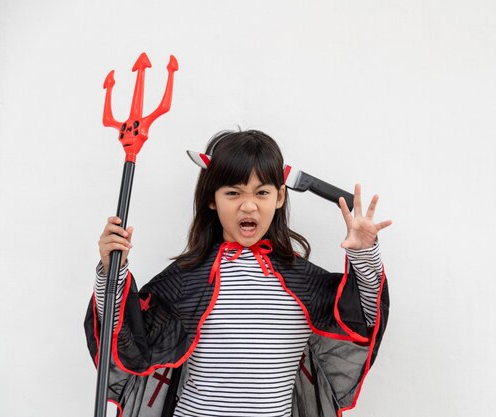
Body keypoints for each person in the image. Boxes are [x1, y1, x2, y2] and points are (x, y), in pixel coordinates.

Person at [84, 130, 391, 417]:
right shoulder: (184, 280)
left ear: (280, 197)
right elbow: (125, 339)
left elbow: (363, 321)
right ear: (211, 200)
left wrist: (363, 254)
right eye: (233, 193)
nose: (248, 206)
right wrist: (112, 271)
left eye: (261, 193)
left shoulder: (303, 282)